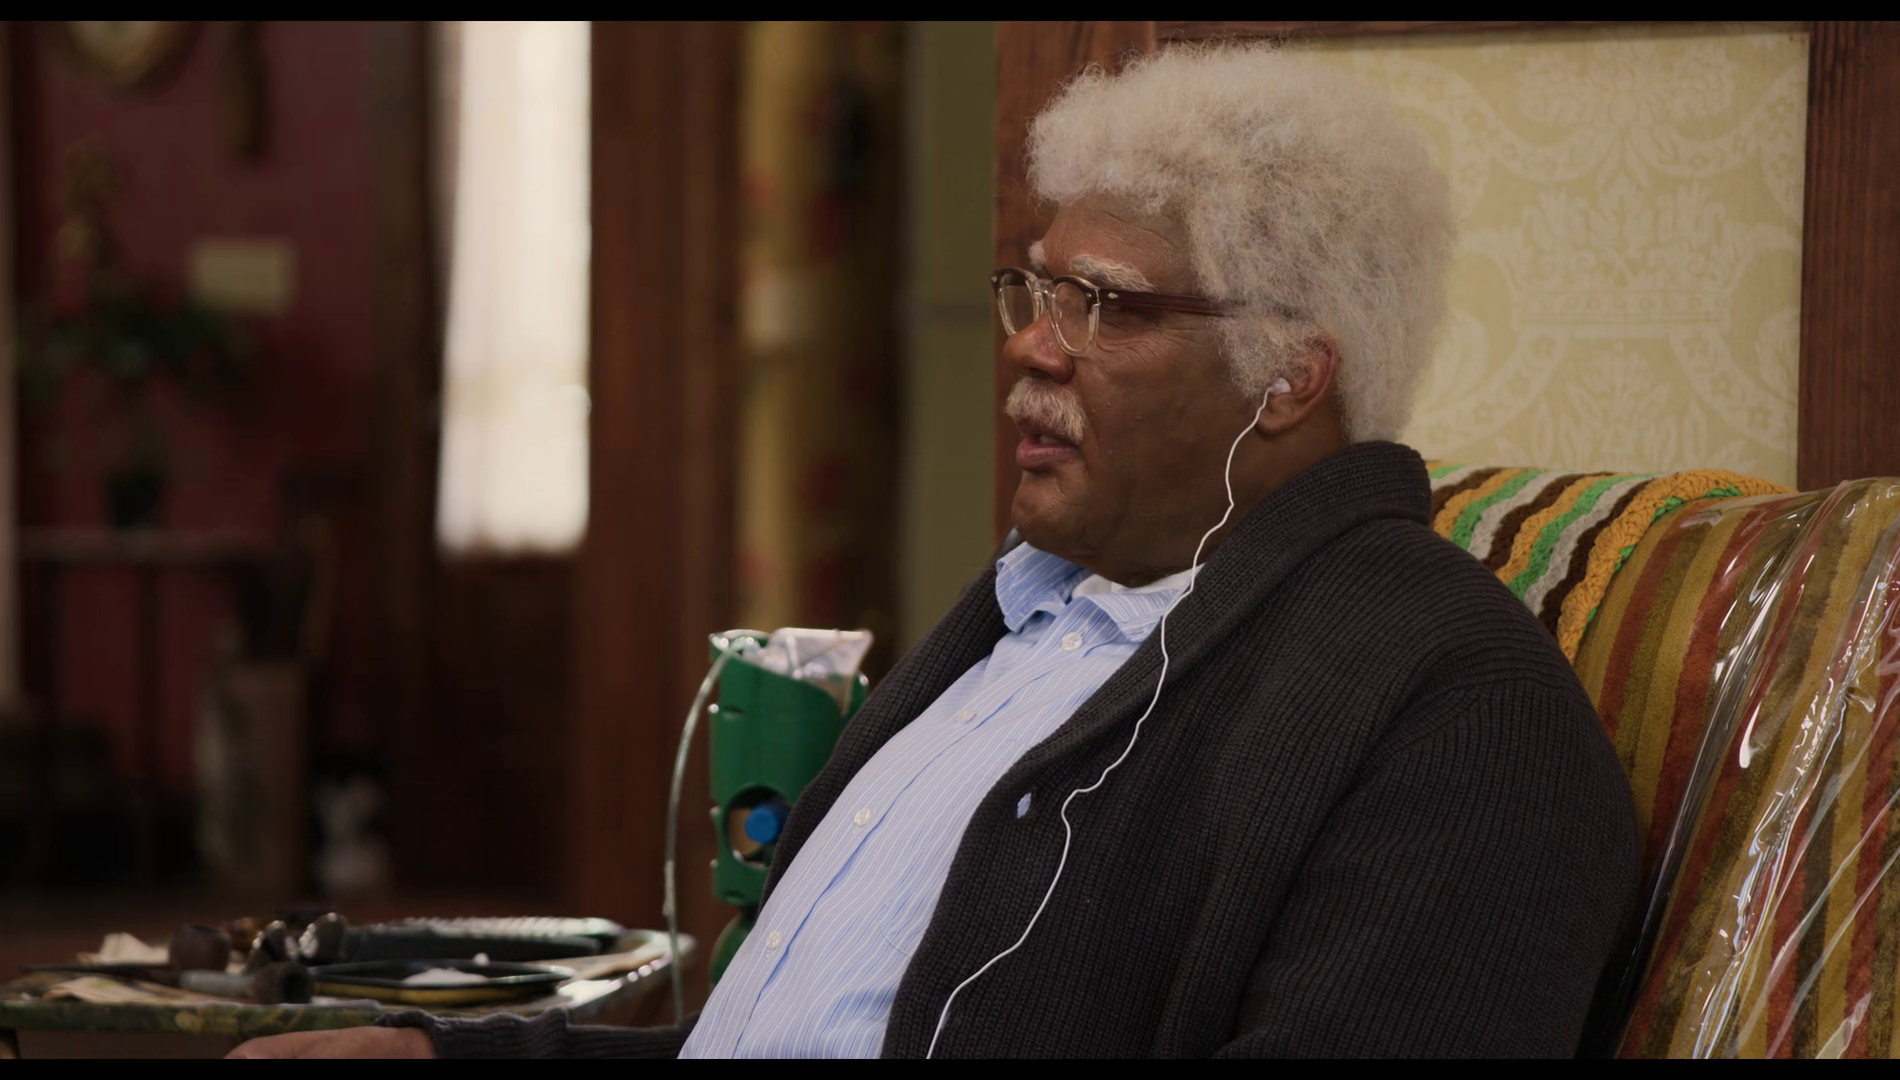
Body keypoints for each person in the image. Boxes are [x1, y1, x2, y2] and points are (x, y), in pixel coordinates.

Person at [233, 43, 1638, 1059]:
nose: (1032, 347)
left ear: (1288, 377)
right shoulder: (1028, 622)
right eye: (1035, 290)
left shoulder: (1456, 711)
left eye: (1107, 307)